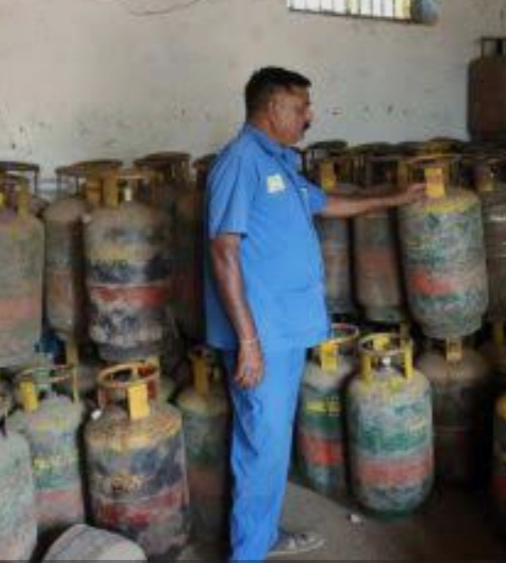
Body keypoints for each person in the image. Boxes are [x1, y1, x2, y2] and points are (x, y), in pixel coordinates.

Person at [205, 66, 425, 562]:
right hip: (262, 335)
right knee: (262, 446)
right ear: (272, 107)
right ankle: (247, 553)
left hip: (281, 331)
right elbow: (224, 249)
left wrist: (394, 197)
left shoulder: (279, 163)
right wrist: (250, 342)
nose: (310, 116)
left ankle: (261, 536)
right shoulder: (241, 163)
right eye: (301, 106)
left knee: (269, 444)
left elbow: (327, 205)